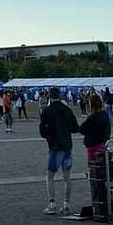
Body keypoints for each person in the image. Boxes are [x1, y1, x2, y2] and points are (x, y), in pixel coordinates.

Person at [39, 87, 80, 216]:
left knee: (50, 176)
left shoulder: (47, 111)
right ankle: (66, 204)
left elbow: (42, 131)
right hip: (67, 146)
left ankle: (52, 204)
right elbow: (76, 128)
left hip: (55, 147)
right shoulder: (67, 110)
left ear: (50, 97)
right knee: (67, 177)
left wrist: (49, 134)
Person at [78, 92, 111, 163]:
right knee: (103, 164)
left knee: (94, 165)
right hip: (104, 143)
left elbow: (82, 129)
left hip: (93, 144)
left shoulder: (92, 118)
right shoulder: (105, 115)